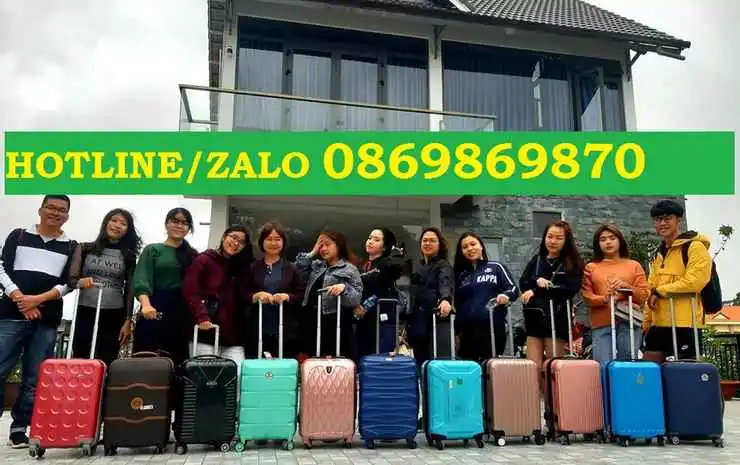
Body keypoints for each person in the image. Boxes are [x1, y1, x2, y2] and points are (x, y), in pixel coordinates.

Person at [0, 195, 80, 448]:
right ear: (41, 210)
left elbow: (68, 283)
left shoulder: (71, 246)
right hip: (10, 314)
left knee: (35, 377)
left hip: (47, 319)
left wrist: (37, 300)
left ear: (67, 216)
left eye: (61, 210)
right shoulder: (18, 235)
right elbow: (2, 268)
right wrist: (19, 298)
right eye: (51, 208)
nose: (55, 213)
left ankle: (19, 429)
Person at [643, 199, 712, 362]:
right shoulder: (658, 254)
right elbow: (650, 290)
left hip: (685, 324)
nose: (662, 223)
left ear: (678, 220)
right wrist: (646, 324)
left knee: (684, 373)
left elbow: (695, 281)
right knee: (649, 371)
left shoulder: (694, 247)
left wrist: (660, 291)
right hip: (658, 324)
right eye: (658, 220)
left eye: (668, 218)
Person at [519, 220, 584, 394]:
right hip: (534, 317)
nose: (553, 241)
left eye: (558, 238)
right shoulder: (537, 260)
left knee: (552, 367)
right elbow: (523, 282)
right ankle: (536, 404)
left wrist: (540, 288)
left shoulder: (573, 262)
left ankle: (553, 404)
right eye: (549, 236)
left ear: (566, 240)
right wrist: (535, 283)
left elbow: (569, 288)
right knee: (533, 367)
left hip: (557, 318)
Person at [72, 208, 142, 367]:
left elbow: (129, 290)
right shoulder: (84, 248)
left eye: (123, 223)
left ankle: (104, 384)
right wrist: (80, 282)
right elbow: (71, 280)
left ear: (127, 230)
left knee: (107, 359)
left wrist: (127, 321)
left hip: (114, 313)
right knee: (81, 356)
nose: (117, 225)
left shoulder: (129, 256)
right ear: (106, 223)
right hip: (85, 309)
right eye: (114, 220)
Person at [132, 207, 198, 368]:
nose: (179, 226)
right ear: (166, 224)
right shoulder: (153, 250)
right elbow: (142, 279)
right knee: (147, 359)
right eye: (175, 221)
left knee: (178, 362)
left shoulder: (193, 255)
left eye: (184, 223)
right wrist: (146, 305)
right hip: (154, 308)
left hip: (182, 312)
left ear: (189, 228)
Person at [183, 226, 253, 372]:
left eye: (241, 242)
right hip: (206, 332)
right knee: (205, 378)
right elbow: (191, 291)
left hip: (233, 338)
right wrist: (202, 316)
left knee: (237, 376)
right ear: (224, 237)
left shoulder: (241, 267)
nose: (236, 243)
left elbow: (244, 296)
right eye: (233, 237)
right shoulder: (203, 260)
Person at [581, 224, 649, 363]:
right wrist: (605, 299)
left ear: (620, 241)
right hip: (601, 323)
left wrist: (626, 289)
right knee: (603, 364)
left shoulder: (634, 265)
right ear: (598, 244)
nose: (608, 242)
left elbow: (643, 294)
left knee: (627, 364)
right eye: (603, 239)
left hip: (629, 321)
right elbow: (587, 296)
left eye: (612, 238)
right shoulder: (591, 267)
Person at [295, 231, 363, 359]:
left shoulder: (349, 269)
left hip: (335, 322)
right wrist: (312, 252)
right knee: (313, 361)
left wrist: (344, 288)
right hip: (312, 321)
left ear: (339, 246)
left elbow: (355, 298)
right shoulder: (316, 265)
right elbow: (297, 268)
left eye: (327, 244)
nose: (323, 248)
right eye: (320, 245)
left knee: (336, 361)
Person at [453, 231, 519, 361]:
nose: (470, 249)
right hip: (466, 333)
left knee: (490, 367)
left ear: (481, 246)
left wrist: (506, 296)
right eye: (465, 247)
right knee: (469, 369)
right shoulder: (461, 276)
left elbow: (513, 288)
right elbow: (458, 304)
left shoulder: (496, 267)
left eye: (473, 244)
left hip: (492, 329)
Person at [245, 222, 304, 359]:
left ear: (283, 242)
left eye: (277, 239)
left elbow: (301, 295)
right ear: (262, 242)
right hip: (257, 330)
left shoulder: (292, 268)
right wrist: (256, 296)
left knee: (284, 368)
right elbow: (243, 294)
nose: (273, 243)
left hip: (286, 331)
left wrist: (287, 297)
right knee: (257, 368)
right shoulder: (252, 268)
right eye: (269, 239)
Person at [354, 228, 407, 359]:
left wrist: (365, 306)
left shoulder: (386, 264)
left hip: (382, 321)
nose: (370, 242)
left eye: (376, 240)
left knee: (379, 359)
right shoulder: (362, 266)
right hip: (363, 322)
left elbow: (382, 289)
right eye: (369, 238)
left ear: (384, 247)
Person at [406, 227, 454, 369]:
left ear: (440, 245)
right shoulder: (418, 267)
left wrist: (446, 299)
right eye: (425, 240)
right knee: (419, 362)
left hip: (435, 319)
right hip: (417, 321)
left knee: (436, 362)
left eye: (432, 241)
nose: (428, 243)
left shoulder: (443, 265)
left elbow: (445, 282)